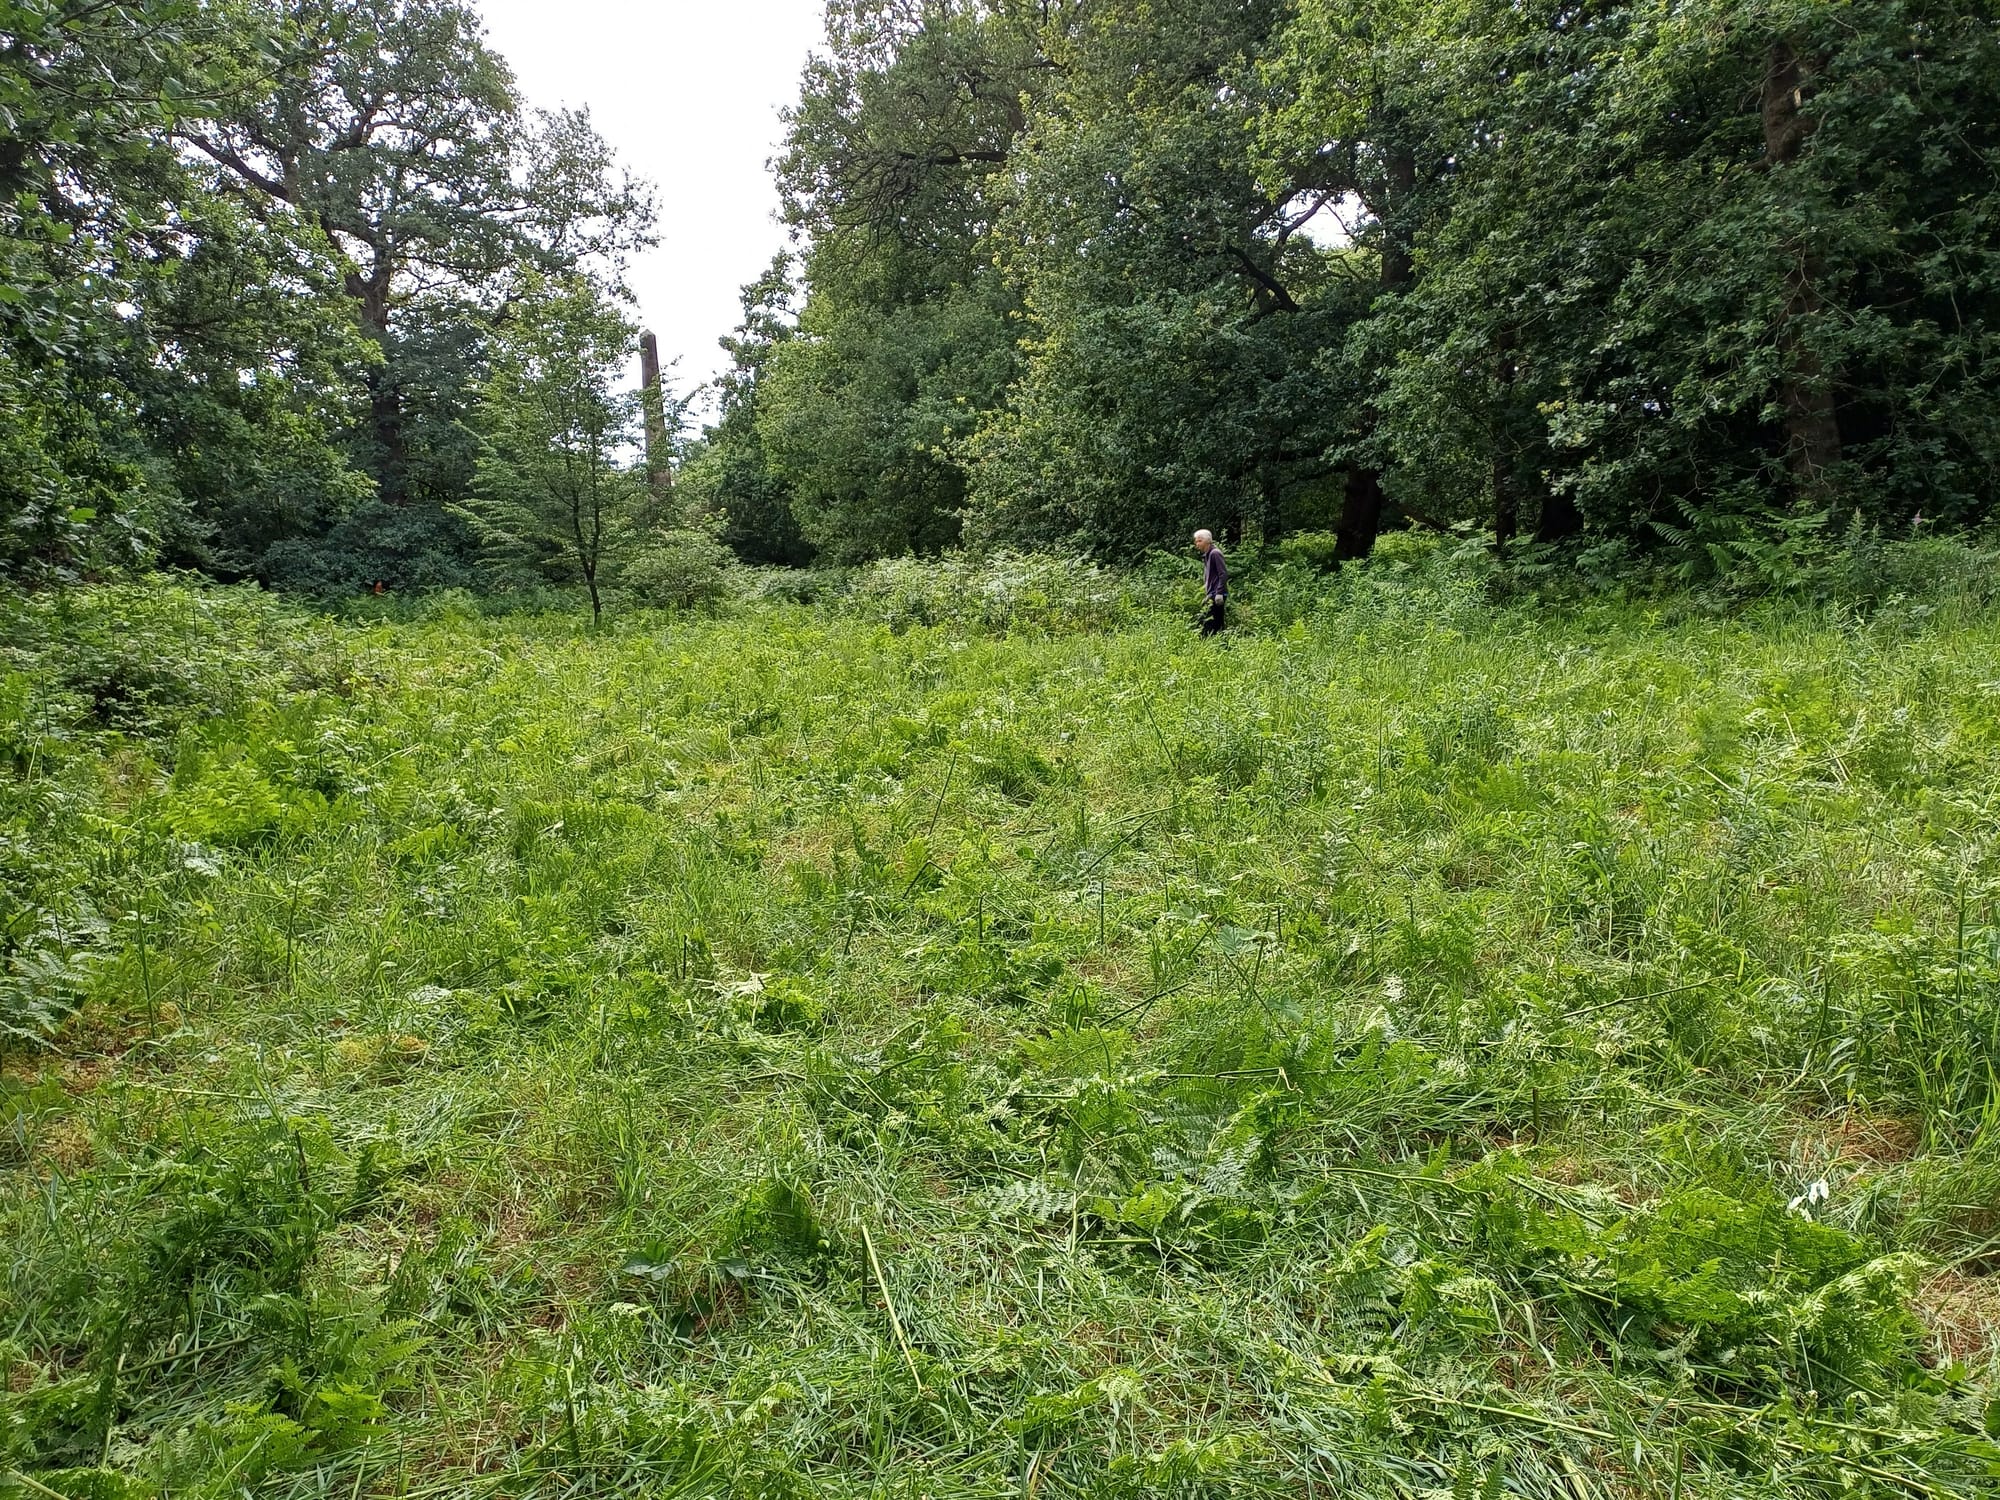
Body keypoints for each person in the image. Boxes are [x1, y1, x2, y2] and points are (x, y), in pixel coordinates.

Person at [1193, 528, 1227, 635]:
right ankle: (1219, 640)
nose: (1197, 544)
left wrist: (1219, 593)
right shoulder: (1207, 555)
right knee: (1214, 621)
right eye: (1196, 541)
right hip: (1211, 593)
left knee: (1210, 622)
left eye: (1199, 541)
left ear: (1207, 541)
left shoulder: (1215, 553)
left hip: (1217, 594)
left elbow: (1223, 574)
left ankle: (1213, 641)